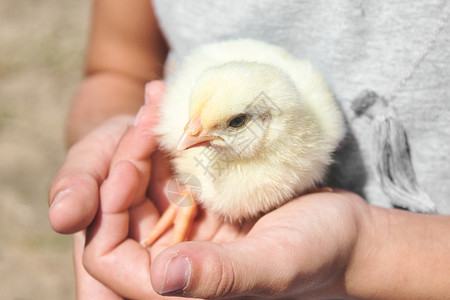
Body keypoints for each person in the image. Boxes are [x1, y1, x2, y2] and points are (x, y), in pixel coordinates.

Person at [48, 0, 450, 299]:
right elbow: (118, 68)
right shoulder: (191, 112)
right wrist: (111, 137)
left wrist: (369, 244)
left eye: (236, 123)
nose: (188, 137)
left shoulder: (316, 124)